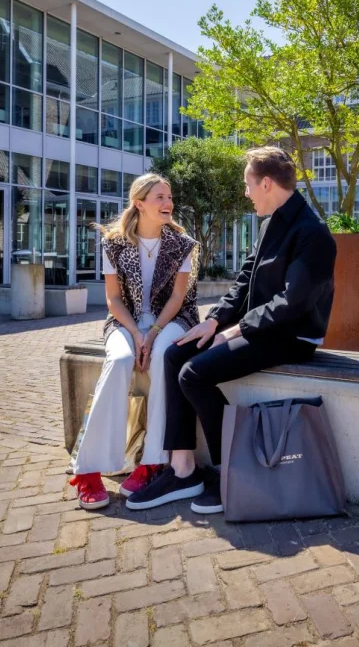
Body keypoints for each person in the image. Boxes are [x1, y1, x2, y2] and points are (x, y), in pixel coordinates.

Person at [126, 147, 337, 514]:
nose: (246, 193)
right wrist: (216, 320)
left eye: (248, 185)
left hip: (292, 336)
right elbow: (245, 281)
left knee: (194, 374)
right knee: (176, 354)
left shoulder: (313, 234)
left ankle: (230, 473)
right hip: (259, 328)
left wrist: (237, 330)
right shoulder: (270, 222)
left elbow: (293, 304)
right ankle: (183, 469)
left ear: (266, 183)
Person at [67, 174, 199, 511]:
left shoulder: (183, 244)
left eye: (169, 196)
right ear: (139, 203)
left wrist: (152, 332)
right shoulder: (113, 243)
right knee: (120, 361)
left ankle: (152, 462)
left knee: (162, 360)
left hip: (172, 319)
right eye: (160, 196)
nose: (168, 202)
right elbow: (113, 299)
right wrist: (137, 334)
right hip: (124, 321)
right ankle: (88, 469)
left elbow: (178, 298)